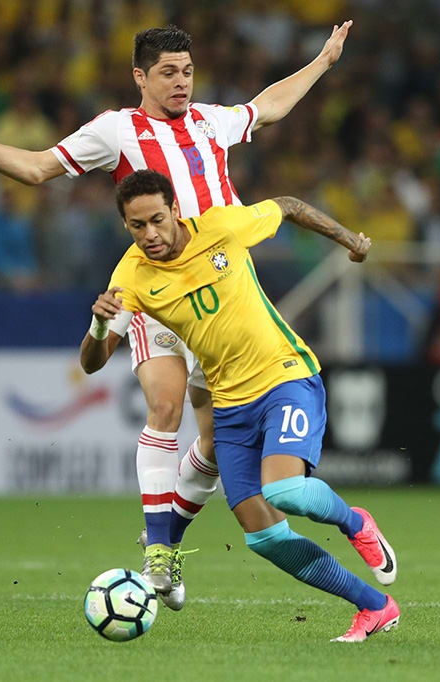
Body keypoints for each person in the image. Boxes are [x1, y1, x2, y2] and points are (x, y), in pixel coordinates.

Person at [0, 22, 353, 608]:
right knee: (164, 406)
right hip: (158, 292)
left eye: (187, 70)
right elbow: (36, 169)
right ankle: (159, 549)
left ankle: (166, 536)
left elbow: (269, 107)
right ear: (140, 76)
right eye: (168, 72)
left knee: (213, 443)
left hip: (222, 293)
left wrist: (323, 61)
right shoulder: (115, 130)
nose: (181, 81)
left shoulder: (212, 120)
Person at [82, 170, 398, 642]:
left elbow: (288, 203)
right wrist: (101, 326)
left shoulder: (222, 226)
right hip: (230, 407)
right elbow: (91, 363)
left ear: (174, 210)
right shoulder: (131, 275)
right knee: (263, 535)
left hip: (285, 378)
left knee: (285, 491)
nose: (150, 234)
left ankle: (357, 523)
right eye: (136, 226)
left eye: (157, 220)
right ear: (125, 225)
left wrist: (349, 239)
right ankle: (376, 607)